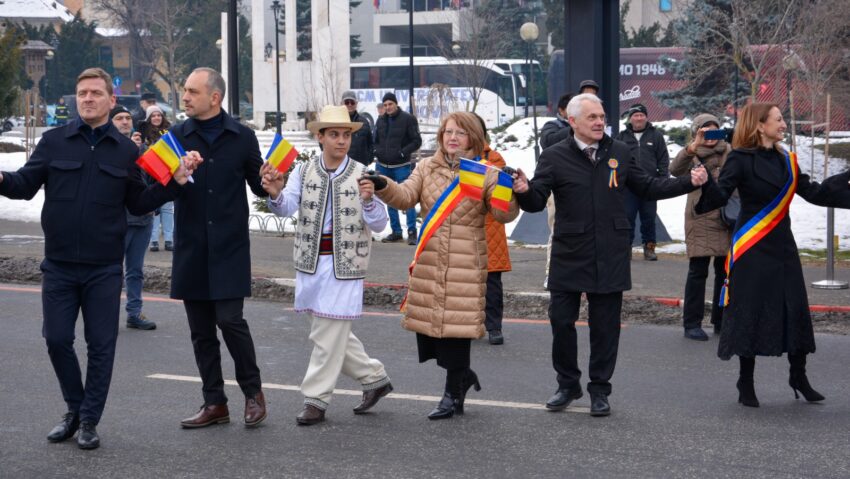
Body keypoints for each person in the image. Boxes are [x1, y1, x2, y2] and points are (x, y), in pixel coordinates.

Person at [0, 67, 193, 449]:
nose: (87, 99)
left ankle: (89, 420)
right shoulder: (54, 141)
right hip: (58, 265)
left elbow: (138, 201)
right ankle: (75, 408)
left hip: (104, 266)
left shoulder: (125, 151)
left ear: (110, 100)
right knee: (56, 339)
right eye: (82, 93)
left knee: (101, 345)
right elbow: (24, 186)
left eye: (95, 93)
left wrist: (173, 185)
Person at [512, 94, 707, 417]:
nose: (600, 122)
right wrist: (523, 190)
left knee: (605, 327)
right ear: (572, 122)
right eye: (592, 117)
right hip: (570, 251)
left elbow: (648, 186)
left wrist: (688, 182)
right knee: (561, 321)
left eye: (602, 116)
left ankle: (600, 389)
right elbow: (535, 200)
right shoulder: (554, 156)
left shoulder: (620, 151)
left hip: (610, 252)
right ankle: (567, 384)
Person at [694, 103, 850, 408]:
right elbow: (720, 196)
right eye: (778, 120)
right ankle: (746, 381)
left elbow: (815, 193)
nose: (783, 124)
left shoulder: (786, 161)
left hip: (782, 247)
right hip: (753, 250)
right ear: (759, 125)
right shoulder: (739, 159)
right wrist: (704, 180)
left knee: (794, 309)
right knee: (751, 311)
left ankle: (798, 377)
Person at [366, 111, 519, 420]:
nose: (452, 137)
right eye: (448, 132)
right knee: (433, 333)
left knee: (456, 333)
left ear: (473, 138)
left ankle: (452, 392)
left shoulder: (485, 172)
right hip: (431, 259)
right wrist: (382, 184)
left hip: (465, 262)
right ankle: (462, 377)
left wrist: (510, 190)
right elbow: (406, 196)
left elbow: (504, 215)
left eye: (460, 133)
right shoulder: (427, 167)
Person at [261, 105, 393, 426]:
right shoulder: (304, 171)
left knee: (326, 334)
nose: (341, 141)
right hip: (310, 262)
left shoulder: (362, 172)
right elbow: (287, 206)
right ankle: (374, 378)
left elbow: (379, 224)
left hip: (346, 264)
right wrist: (276, 193)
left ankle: (316, 399)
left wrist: (369, 200)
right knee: (331, 333)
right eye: (333, 134)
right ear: (319, 137)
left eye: (346, 135)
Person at [170, 67, 269, 429]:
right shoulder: (177, 135)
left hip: (228, 246)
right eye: (185, 90)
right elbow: (163, 186)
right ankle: (215, 403)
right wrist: (173, 174)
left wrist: (273, 181)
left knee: (230, 321)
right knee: (200, 331)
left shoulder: (242, 137)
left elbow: (260, 186)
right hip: (192, 246)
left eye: (192, 91)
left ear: (215, 97)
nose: (185, 97)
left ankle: (253, 393)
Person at [669, 114, 731, 341]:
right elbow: (675, 170)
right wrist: (692, 147)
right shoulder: (692, 156)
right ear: (697, 133)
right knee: (698, 272)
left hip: (727, 217)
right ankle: (692, 323)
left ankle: (721, 320)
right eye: (706, 132)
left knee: (725, 273)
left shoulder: (730, 152)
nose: (711, 137)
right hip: (701, 217)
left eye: (715, 131)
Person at [110, 105, 157, 330]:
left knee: (135, 270)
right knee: (112, 271)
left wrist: (154, 206)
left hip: (144, 220)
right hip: (121, 221)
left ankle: (134, 312)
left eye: (128, 118)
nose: (125, 122)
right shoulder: (108, 149)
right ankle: (106, 315)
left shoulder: (145, 149)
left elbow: (158, 180)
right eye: (119, 118)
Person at [474, 114, 512, 345]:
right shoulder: (450, 159)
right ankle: (466, 325)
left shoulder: (494, 157)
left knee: (492, 283)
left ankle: (494, 326)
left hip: (489, 226)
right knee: (463, 283)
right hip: (461, 226)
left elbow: (500, 197)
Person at [616, 103, 670, 261]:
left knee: (649, 218)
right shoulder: (622, 137)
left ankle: (650, 248)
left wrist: (662, 180)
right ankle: (626, 248)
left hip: (650, 185)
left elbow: (663, 159)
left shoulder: (656, 136)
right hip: (629, 186)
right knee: (627, 218)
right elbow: (615, 160)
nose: (639, 118)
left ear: (646, 117)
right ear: (630, 118)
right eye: (635, 115)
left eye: (642, 115)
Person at [373, 92, 422, 245]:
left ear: (396, 104)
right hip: (383, 166)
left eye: (390, 104)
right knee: (389, 198)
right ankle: (396, 232)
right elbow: (375, 140)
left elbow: (416, 141)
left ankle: (412, 231)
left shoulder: (408, 119)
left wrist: (402, 152)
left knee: (408, 199)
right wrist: (377, 151)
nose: (387, 107)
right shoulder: (380, 120)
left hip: (401, 166)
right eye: (385, 105)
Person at [540, 93, 573, 289]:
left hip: (581, 187)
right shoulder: (552, 127)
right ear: (561, 111)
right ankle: (550, 273)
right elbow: (548, 141)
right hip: (556, 188)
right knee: (557, 231)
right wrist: (574, 128)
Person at [140, 105, 175, 252]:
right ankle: (153, 240)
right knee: (153, 209)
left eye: (159, 115)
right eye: (153, 116)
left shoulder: (168, 132)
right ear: (149, 118)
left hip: (166, 173)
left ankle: (169, 240)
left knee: (167, 209)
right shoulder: (144, 134)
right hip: (149, 175)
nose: (156, 118)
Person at [341, 90, 373, 166]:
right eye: (346, 102)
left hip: (360, 166)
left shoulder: (364, 122)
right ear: (341, 103)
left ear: (356, 103)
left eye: (352, 102)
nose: (349, 104)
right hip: (340, 166)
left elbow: (370, 143)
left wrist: (369, 159)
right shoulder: (334, 121)